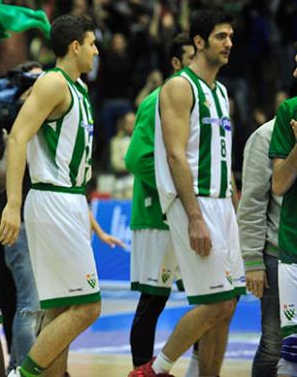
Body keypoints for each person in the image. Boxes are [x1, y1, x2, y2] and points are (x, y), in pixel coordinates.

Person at [0, 14, 121, 377]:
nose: (96, 50)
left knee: (59, 311)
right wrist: (13, 204)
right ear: (74, 46)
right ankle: (21, 374)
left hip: (67, 199)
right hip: (51, 200)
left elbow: (72, 165)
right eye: (92, 43)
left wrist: (89, 217)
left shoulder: (79, 89)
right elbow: (18, 137)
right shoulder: (53, 83)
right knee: (88, 308)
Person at [131, 9, 245, 377]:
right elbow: (176, 154)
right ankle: (154, 369)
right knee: (212, 304)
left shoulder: (222, 91)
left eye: (230, 36)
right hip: (194, 204)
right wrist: (195, 216)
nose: (229, 43)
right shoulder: (179, 87)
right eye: (220, 37)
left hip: (221, 204)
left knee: (227, 305)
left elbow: (223, 155)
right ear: (198, 42)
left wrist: (234, 201)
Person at [126, 34, 196, 370]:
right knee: (153, 300)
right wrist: (177, 191)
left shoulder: (203, 99)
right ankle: (143, 368)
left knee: (207, 297)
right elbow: (136, 158)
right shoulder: (156, 101)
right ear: (176, 63)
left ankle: (199, 365)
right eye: (189, 57)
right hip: (159, 215)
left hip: (190, 213)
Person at [239, 117, 282, 377]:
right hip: (277, 255)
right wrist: (253, 259)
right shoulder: (266, 135)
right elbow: (252, 202)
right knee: (273, 345)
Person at [269, 54, 297, 377]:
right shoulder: (289, 112)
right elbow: (279, 183)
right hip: (293, 246)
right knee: (291, 352)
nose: (293, 72)